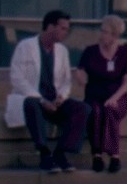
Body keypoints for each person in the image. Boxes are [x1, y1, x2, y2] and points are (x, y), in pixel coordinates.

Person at [5, 9, 91, 173]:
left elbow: (66, 81)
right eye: (63, 28)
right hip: (34, 99)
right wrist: (41, 99)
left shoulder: (62, 51)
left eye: (67, 29)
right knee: (31, 103)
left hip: (54, 101)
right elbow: (17, 78)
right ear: (50, 27)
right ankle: (44, 154)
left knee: (83, 108)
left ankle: (60, 153)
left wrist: (61, 96)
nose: (66, 32)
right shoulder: (25, 46)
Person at [77, 15, 127, 173]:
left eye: (106, 32)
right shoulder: (90, 52)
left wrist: (114, 98)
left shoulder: (125, 54)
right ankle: (97, 155)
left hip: (119, 96)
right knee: (96, 112)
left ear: (115, 35)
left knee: (110, 110)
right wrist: (80, 77)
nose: (102, 35)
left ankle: (114, 156)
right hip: (94, 96)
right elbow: (80, 70)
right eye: (102, 31)